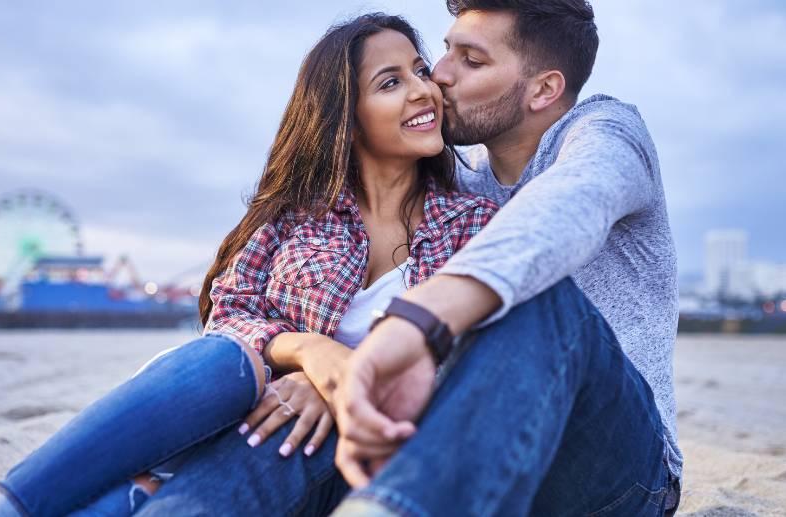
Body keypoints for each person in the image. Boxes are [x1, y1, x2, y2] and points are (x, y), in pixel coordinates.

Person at [133, 1, 683, 516]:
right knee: (296, 422)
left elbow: (568, 208)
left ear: (543, 90)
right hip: (466, 453)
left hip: (612, 466)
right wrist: (321, 370)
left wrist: (416, 323)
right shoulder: (453, 183)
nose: (439, 76)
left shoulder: (604, 135)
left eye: (471, 61)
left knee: (537, 299)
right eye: (444, 52)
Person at [0, 13, 498, 517]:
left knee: (293, 430)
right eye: (391, 82)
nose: (423, 89)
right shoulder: (297, 216)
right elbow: (230, 313)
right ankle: (2, 509)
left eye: (420, 70)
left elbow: (474, 361)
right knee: (224, 358)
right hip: (230, 408)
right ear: (348, 122)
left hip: (336, 449)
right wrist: (309, 352)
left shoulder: (474, 225)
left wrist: (344, 384)